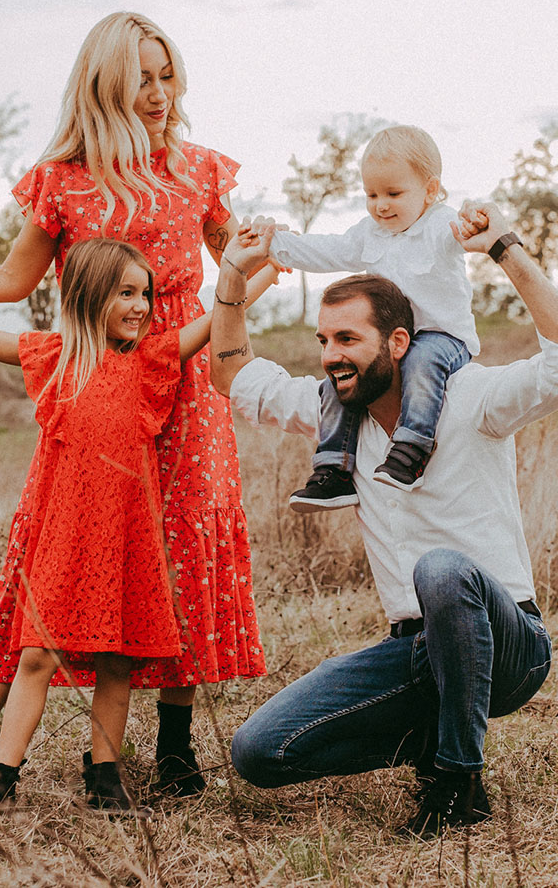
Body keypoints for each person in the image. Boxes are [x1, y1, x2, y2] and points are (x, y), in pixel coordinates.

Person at [0, 11, 268, 796]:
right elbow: (11, 281)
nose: (159, 94)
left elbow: (243, 264)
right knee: (51, 548)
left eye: (168, 76)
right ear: (104, 86)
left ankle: (175, 744)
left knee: (177, 547)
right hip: (91, 387)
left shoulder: (196, 171)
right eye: (142, 80)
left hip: (185, 384)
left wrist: (285, 256)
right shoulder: (63, 180)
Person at [0, 237, 274, 813]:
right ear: (89, 295)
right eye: (127, 293)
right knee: (37, 655)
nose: (143, 306)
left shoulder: (153, 358)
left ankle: (105, 781)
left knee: (118, 661)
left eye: (147, 293)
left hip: (130, 537)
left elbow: (221, 313)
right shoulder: (53, 357)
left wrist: (262, 269)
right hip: (66, 534)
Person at [208, 206, 555, 838]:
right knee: (259, 752)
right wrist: (233, 275)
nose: (331, 356)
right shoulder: (334, 419)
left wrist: (505, 248)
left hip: (509, 647)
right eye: (324, 341)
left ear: (399, 343)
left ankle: (456, 779)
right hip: (415, 650)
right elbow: (230, 375)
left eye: (348, 340)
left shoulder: (472, 398)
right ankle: (433, 737)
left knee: (443, 569)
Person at [265, 126, 478, 512]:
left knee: (421, 359)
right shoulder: (370, 233)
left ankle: (411, 451)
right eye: (371, 194)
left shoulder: (438, 225)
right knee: (345, 371)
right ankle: (334, 470)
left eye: (393, 194)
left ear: (430, 191)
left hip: (442, 340)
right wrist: (274, 244)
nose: (380, 205)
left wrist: (475, 224)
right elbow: (327, 251)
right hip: (391, 342)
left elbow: (462, 234)